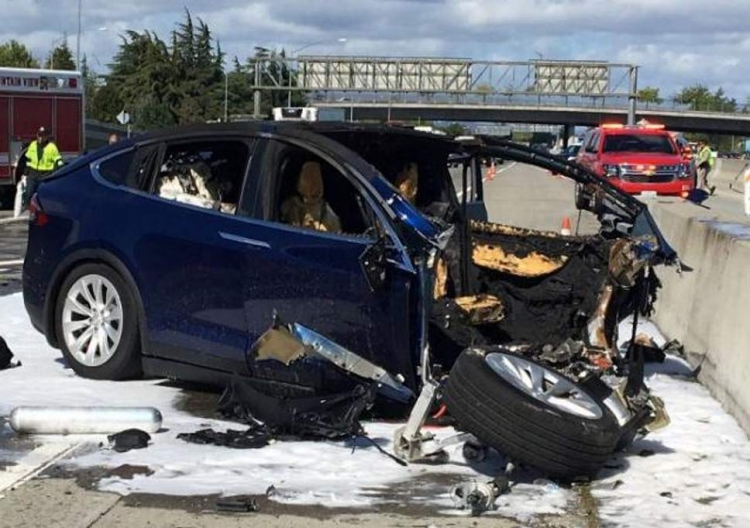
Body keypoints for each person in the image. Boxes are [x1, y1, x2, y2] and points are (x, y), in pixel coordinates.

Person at [22, 127, 63, 209]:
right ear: (37, 135)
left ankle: (42, 209)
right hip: (33, 173)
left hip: (45, 174)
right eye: (39, 135)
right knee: (29, 192)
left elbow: (58, 161)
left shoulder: (52, 147)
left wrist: (58, 171)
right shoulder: (33, 145)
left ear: (47, 137)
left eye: (43, 136)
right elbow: (28, 159)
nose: (41, 138)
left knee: (42, 194)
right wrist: (26, 171)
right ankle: (26, 207)